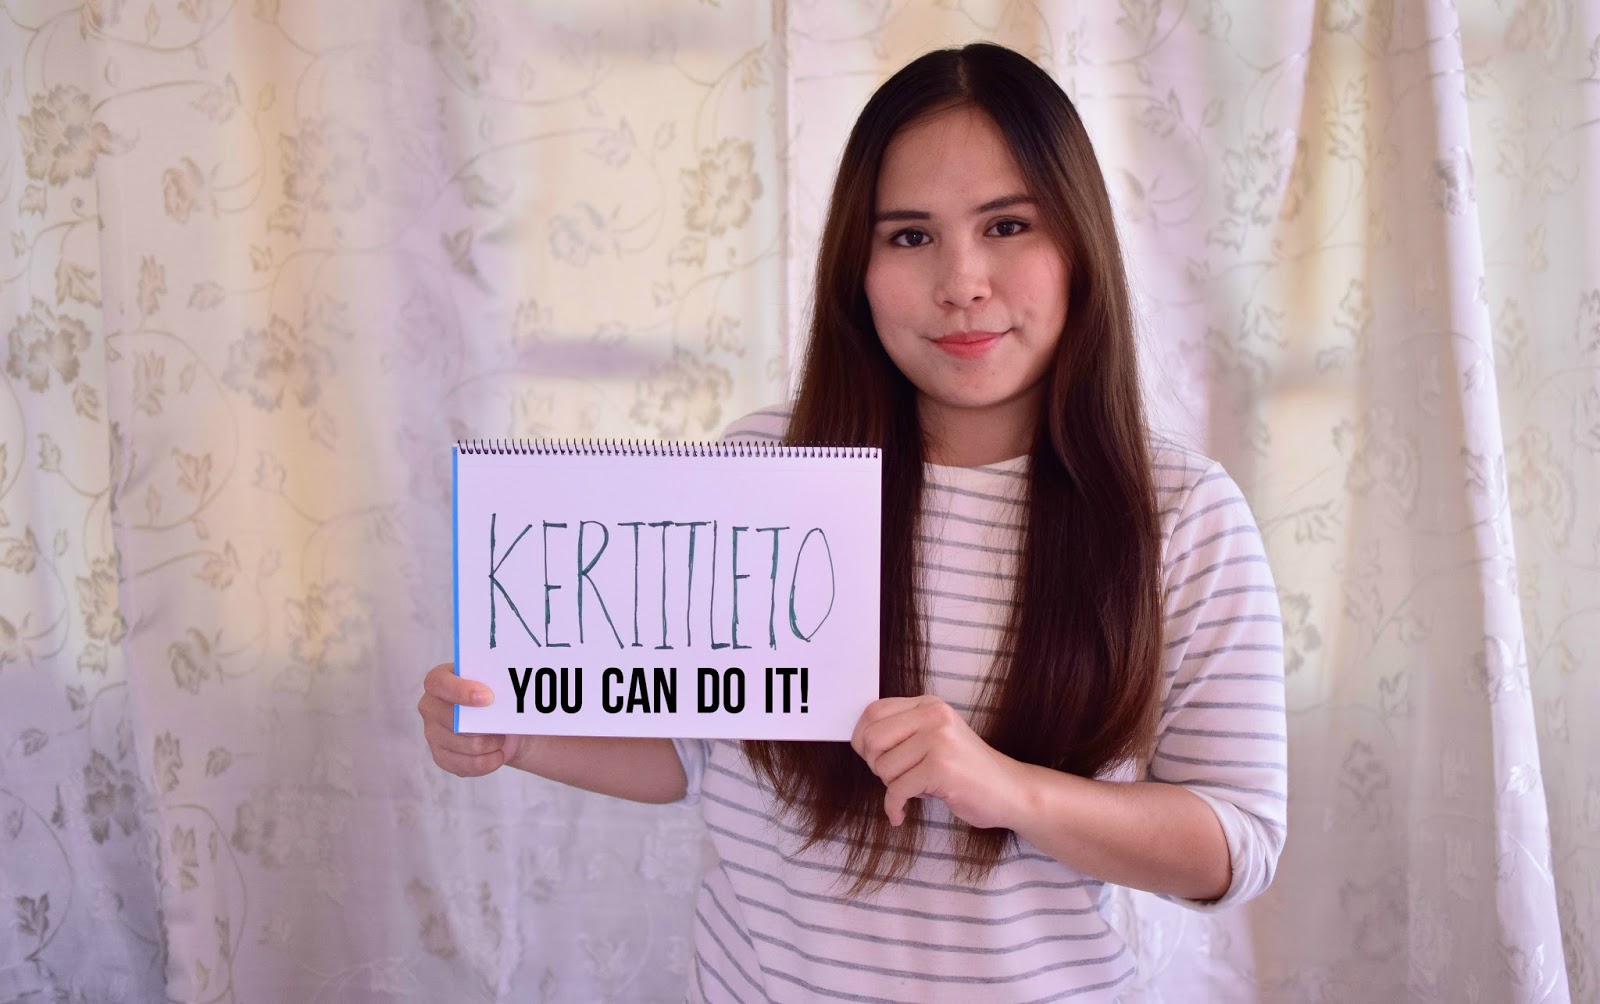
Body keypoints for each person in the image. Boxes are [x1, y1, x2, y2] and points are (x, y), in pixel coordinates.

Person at [419, 42, 1286, 1003]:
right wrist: (517, 733)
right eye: (910, 236)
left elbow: (1235, 843)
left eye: (1007, 225)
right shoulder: (765, 466)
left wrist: (1005, 788)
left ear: (1080, 243)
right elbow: (694, 751)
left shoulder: (1181, 514)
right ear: (858, 267)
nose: (962, 281)